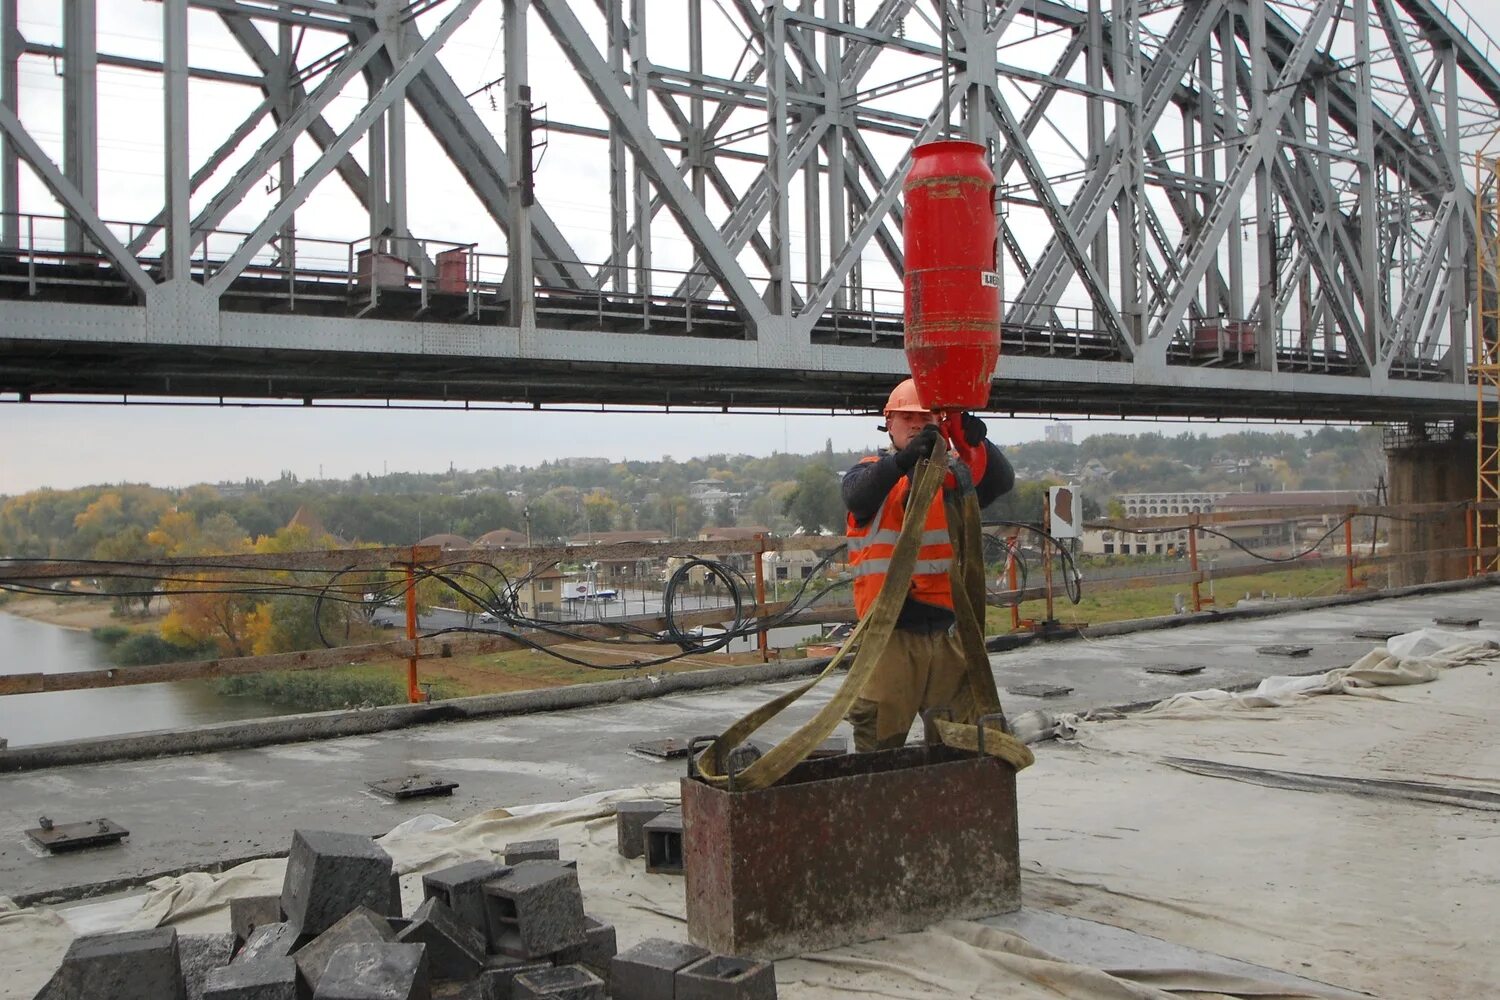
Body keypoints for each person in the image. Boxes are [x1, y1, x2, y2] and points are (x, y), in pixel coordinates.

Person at [842, 377, 1014, 752]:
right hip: (890, 640)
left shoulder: (949, 482)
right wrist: (905, 460)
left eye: (927, 420)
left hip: (946, 636)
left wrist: (973, 438)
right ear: (889, 423)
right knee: (879, 750)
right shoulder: (871, 473)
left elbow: (1000, 482)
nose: (918, 427)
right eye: (908, 419)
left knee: (965, 741)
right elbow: (858, 495)